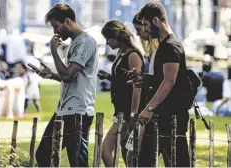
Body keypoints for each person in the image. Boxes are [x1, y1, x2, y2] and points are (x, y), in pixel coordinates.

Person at [35, 4, 98, 167]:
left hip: (78, 111)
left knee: (78, 163)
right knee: (43, 155)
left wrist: (54, 51)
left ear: (68, 21)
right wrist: (51, 75)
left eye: (56, 26)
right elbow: (69, 76)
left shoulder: (85, 42)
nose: (55, 32)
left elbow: (69, 75)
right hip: (64, 109)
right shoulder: (75, 43)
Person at [128, 2, 191, 167]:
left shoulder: (171, 46)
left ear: (155, 21)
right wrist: (144, 78)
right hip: (160, 113)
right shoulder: (163, 45)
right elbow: (161, 78)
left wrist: (148, 109)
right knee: (144, 159)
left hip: (171, 114)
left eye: (146, 24)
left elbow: (169, 81)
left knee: (177, 161)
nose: (146, 29)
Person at [98, 19, 146, 167]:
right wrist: (109, 77)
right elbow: (124, 81)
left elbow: (136, 87)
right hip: (119, 111)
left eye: (108, 39)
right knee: (127, 155)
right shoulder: (121, 53)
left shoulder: (133, 55)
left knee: (106, 151)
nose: (107, 43)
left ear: (116, 36)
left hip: (127, 113)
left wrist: (133, 114)